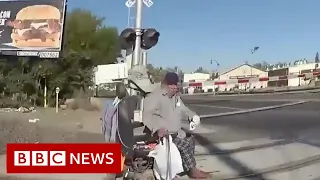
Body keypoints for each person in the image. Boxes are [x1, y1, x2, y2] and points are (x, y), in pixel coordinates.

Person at [143, 72, 211, 179]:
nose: (174, 87)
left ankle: (187, 167)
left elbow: (184, 109)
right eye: (171, 85)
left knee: (190, 139)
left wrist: (193, 116)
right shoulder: (155, 96)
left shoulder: (176, 98)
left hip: (174, 133)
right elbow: (146, 115)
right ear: (165, 84)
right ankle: (192, 171)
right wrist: (157, 128)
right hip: (161, 135)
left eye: (175, 84)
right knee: (184, 144)